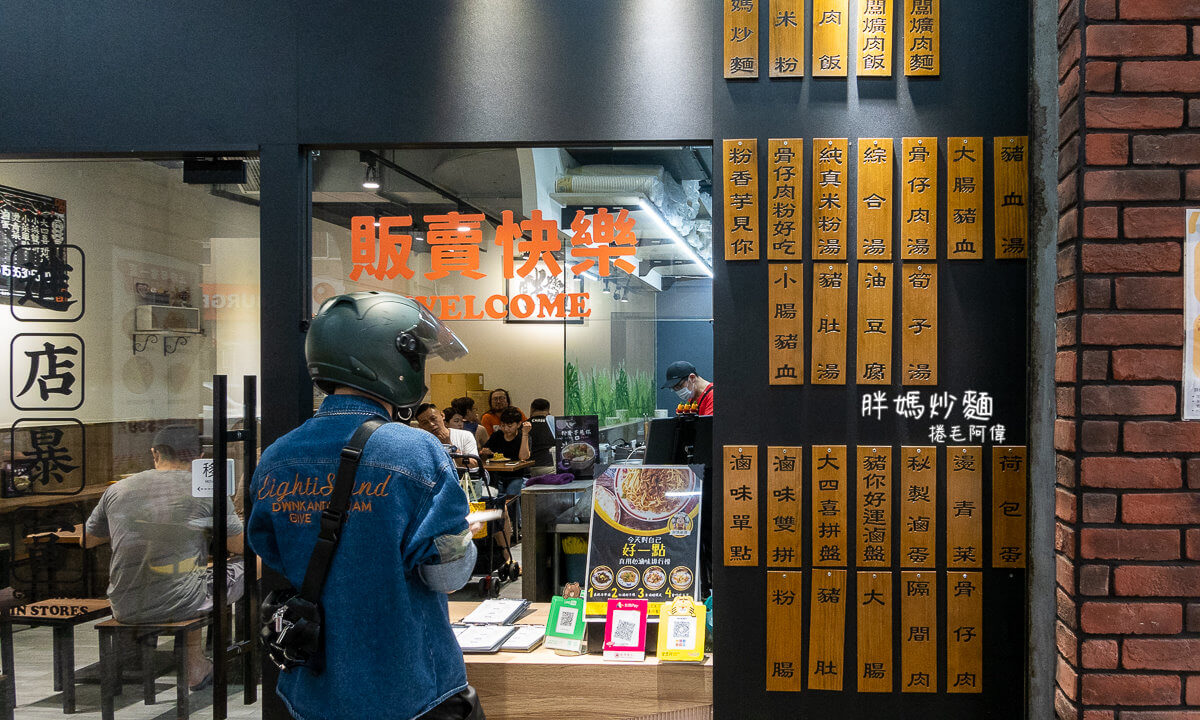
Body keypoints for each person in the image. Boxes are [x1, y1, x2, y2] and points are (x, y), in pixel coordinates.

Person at [248, 292, 484, 720]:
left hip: (313, 688)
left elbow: (274, 556)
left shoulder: (277, 456)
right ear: (392, 360)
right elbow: (448, 574)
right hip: (408, 684)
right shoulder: (414, 451)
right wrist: (465, 536)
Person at [84, 424, 245, 690]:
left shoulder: (118, 489)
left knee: (186, 570)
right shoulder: (205, 490)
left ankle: (163, 661)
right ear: (199, 456)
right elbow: (239, 546)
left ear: (155, 453)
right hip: (181, 603)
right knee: (253, 561)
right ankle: (204, 663)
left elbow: (88, 539)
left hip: (124, 604)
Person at [415, 402, 480, 461]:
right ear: (420, 426)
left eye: (433, 419)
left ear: (442, 415)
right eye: (425, 423)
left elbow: (473, 465)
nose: (431, 424)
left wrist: (450, 446)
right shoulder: (420, 443)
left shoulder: (465, 435)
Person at [527, 398, 556, 476]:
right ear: (548, 410)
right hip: (551, 467)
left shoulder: (524, 425)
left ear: (531, 409)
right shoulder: (555, 423)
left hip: (528, 469)